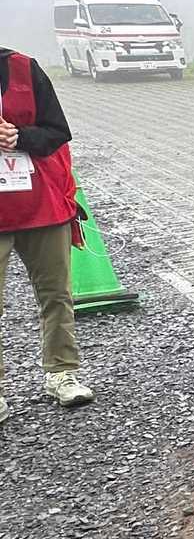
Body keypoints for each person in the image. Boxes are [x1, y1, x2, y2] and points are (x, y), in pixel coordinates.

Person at [0, 47, 94, 424]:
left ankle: (61, 373)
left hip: (41, 205)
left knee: (56, 294)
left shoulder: (23, 68)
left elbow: (57, 132)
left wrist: (18, 136)